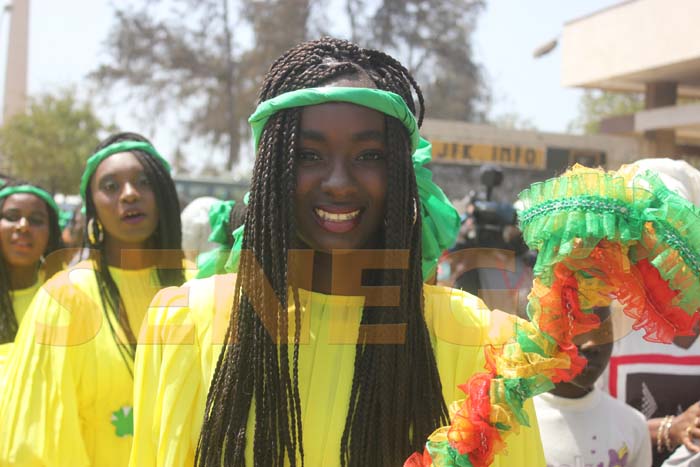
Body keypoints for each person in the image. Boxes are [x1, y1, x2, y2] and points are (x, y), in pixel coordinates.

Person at [129, 37, 545, 467]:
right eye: (308, 155)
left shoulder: (475, 341)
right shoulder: (188, 323)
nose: (340, 182)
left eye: (369, 155)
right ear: (271, 169)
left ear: (403, 172)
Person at [0, 132, 190, 465]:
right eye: (111, 186)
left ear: (163, 193)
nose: (130, 194)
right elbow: (40, 440)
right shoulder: (63, 299)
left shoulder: (197, 289)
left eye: (143, 181)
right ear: (93, 209)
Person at [598, 158, 700, 467]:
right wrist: (669, 428)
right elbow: (577, 422)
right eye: (641, 240)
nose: (657, 256)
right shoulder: (600, 321)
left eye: (673, 237)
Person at [535, 307, 652, 467]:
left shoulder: (632, 425)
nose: (591, 344)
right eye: (577, 332)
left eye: (603, 333)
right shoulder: (512, 425)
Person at [0, 181, 63, 371]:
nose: (23, 227)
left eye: (36, 220)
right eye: (12, 217)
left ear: (51, 234)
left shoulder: (65, 299)